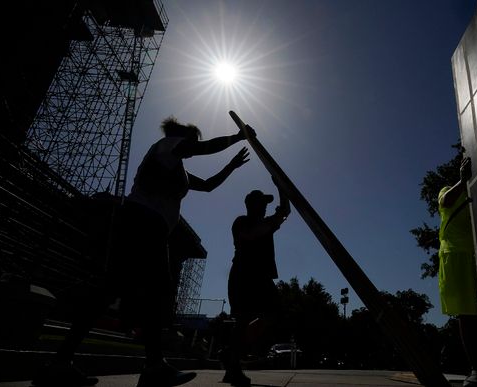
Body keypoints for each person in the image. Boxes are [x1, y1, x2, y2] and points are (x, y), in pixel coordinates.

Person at [33, 116, 252, 387]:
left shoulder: (178, 168)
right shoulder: (167, 145)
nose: (193, 147)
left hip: (147, 226)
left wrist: (231, 165)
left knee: (114, 290)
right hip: (143, 223)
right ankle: (153, 366)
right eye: (192, 142)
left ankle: (61, 362)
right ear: (183, 137)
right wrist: (238, 136)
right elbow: (204, 148)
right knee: (157, 292)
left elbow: (206, 185)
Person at [222, 176, 290, 386]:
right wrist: (273, 221)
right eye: (262, 204)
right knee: (242, 319)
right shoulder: (242, 221)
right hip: (244, 274)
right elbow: (250, 235)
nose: (264, 208)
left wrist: (282, 188)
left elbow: (285, 211)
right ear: (253, 205)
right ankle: (233, 368)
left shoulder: (266, 223)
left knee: (274, 314)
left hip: (262, 278)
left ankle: (231, 351)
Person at [437, 156, 477, 387]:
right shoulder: (448, 189)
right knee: (467, 315)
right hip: (456, 258)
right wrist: (462, 181)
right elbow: (446, 201)